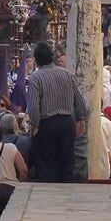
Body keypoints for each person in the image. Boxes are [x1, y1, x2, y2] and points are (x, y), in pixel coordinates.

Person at [27, 42, 88, 183]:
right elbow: (78, 98)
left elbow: (33, 106)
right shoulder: (67, 74)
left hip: (46, 124)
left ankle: (50, 196)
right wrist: (81, 118)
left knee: (46, 163)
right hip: (67, 123)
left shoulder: (36, 78)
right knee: (66, 162)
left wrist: (34, 125)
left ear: (36, 60)